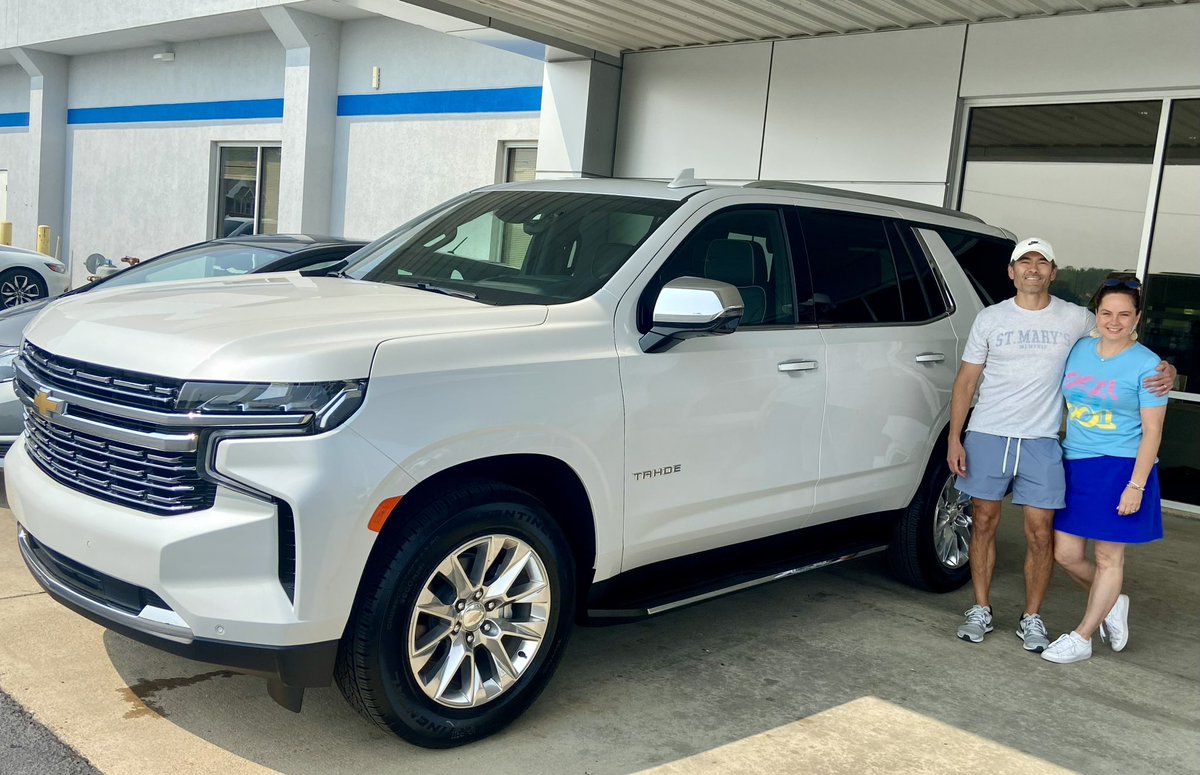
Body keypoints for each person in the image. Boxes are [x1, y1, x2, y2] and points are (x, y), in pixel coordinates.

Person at [946, 238, 1175, 652]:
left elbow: (1120, 338)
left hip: (1044, 440)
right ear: (1011, 271)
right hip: (988, 432)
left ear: (1053, 272)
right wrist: (953, 437)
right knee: (982, 522)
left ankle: (1032, 617)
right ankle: (980, 607)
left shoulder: (1076, 319)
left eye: (1042, 262)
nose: (1032, 268)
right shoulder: (990, 318)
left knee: (1041, 533)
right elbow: (966, 382)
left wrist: (1165, 367)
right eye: (1024, 261)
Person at [1041, 278, 1167, 663]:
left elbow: (1153, 432)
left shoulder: (1148, 365)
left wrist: (1136, 486)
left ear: (1137, 318)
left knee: (1109, 559)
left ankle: (1082, 637)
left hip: (1121, 468)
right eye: (1107, 313)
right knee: (1064, 553)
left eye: (1124, 315)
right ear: (1096, 315)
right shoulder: (1078, 349)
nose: (1114, 321)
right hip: (1075, 461)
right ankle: (1113, 602)